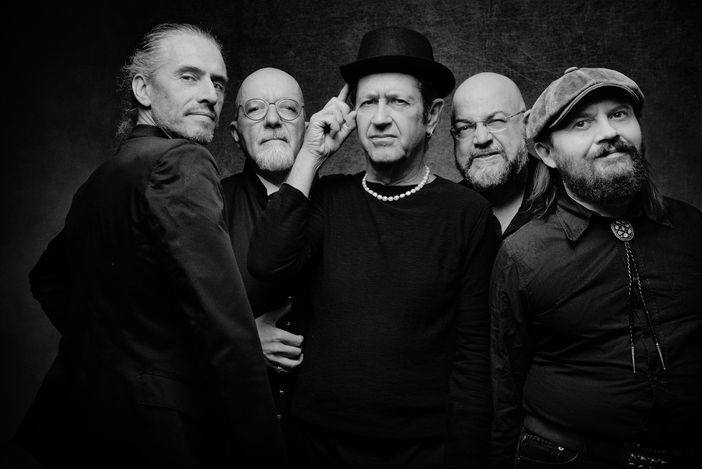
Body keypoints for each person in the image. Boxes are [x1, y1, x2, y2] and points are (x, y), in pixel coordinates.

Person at [14, 23, 286, 468]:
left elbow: (47, 279)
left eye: (218, 83)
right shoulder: (181, 161)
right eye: (189, 76)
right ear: (142, 89)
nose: (210, 95)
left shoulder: (104, 177)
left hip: (80, 425)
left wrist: (120, 358)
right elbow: (225, 326)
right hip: (158, 435)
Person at [248, 26, 500, 469]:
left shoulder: (468, 215)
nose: (379, 118)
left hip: (422, 451)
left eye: (398, 102)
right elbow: (267, 263)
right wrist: (310, 155)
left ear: (431, 115)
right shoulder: (326, 198)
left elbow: (474, 355)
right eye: (367, 103)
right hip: (317, 444)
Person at [490, 66, 702, 469]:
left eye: (619, 114)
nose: (608, 132)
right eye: (581, 123)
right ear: (546, 153)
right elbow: (503, 384)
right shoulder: (523, 254)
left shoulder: (692, 228)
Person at [221, 67, 307, 418]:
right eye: (255, 109)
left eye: (288, 108)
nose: (273, 120)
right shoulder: (206, 207)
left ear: (307, 126)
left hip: (322, 432)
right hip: (233, 424)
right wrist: (239, 339)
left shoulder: (342, 206)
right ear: (235, 133)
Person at [451, 72, 535, 237]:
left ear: (526, 125)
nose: (482, 139)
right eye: (465, 127)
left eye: (496, 121)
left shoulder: (570, 198)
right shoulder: (444, 211)